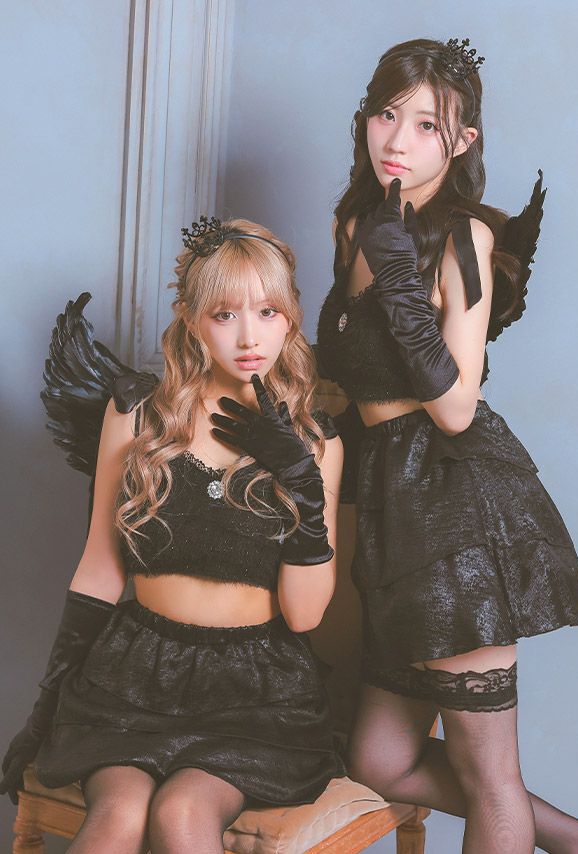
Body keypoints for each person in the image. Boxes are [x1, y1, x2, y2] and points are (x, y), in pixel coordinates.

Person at [316, 37, 578, 853]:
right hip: (386, 507)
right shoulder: (354, 223)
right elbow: (350, 378)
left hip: (452, 503)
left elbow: (457, 406)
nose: (398, 139)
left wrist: (399, 280)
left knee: (489, 771)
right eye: (387, 114)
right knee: (379, 759)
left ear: (461, 142)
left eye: (427, 125)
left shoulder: (465, 237)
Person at [1, 217, 345, 853]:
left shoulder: (315, 444)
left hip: (254, 693)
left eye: (268, 312)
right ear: (191, 319)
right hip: (133, 676)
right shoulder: (138, 415)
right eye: (224, 314)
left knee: (183, 814)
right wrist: (46, 704)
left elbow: (304, 616)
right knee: (118, 816)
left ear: (291, 318)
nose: (250, 336)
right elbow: (100, 568)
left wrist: (299, 477)